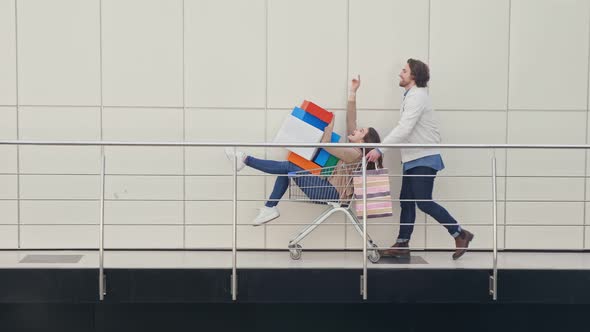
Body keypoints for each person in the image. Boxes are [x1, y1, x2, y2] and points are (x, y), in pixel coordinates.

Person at [225, 75, 383, 226]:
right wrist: (353, 92)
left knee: (289, 166)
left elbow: (325, 144)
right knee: (287, 171)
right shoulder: (354, 150)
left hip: (330, 192)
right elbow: (351, 119)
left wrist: (329, 126)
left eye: (360, 131)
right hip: (326, 188)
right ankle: (269, 207)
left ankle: (245, 160)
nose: (356, 129)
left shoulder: (354, 153)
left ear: (362, 141)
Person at [366, 59, 474, 260]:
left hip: (423, 157)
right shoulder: (412, 96)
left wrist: (380, 149)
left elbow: (405, 128)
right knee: (406, 201)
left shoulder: (417, 97)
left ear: (413, 76)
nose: (400, 73)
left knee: (423, 201)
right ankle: (402, 244)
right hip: (413, 158)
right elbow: (406, 129)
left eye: (404, 71)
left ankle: (460, 233)